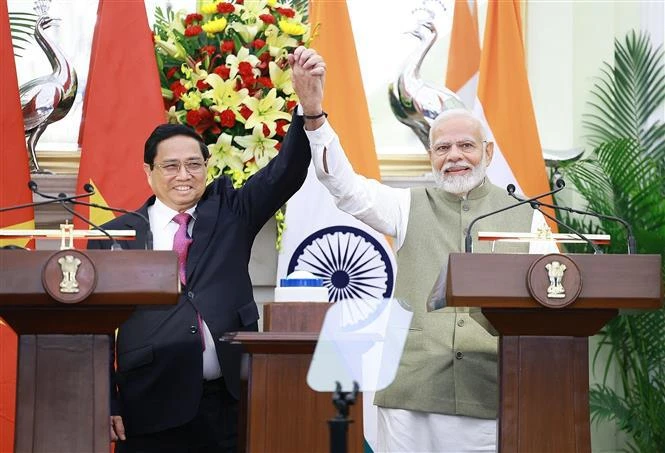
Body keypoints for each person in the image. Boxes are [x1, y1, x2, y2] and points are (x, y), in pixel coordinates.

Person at [290, 47, 556, 452]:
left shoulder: (526, 218)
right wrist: (314, 113)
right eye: (442, 148)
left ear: (487, 153)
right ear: (430, 156)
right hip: (412, 394)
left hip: (489, 394)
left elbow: (554, 299)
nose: (454, 157)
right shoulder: (407, 205)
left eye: (465, 146)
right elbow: (344, 186)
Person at [88, 52, 325, 453]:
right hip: (148, 409)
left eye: (194, 165)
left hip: (231, 402)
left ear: (207, 167)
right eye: (171, 166)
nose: (184, 175)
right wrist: (107, 401)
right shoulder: (118, 235)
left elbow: (286, 171)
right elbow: (96, 333)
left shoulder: (233, 211)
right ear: (148, 173)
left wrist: (310, 107)